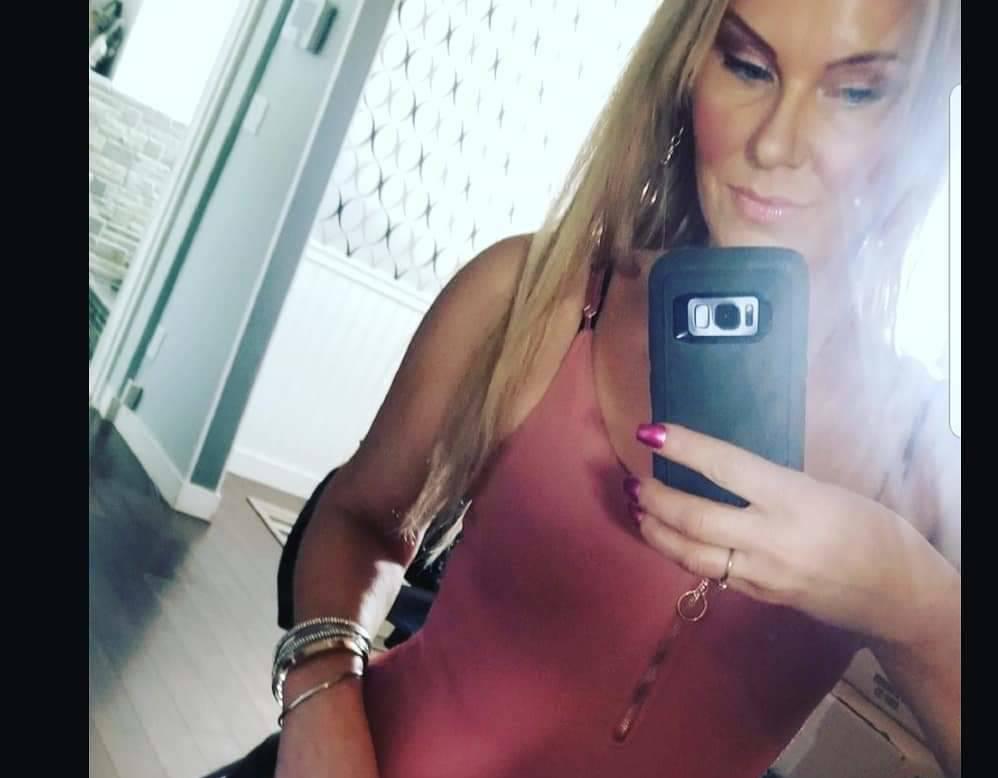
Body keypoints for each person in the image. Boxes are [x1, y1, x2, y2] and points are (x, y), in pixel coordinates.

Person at [273, 2, 961, 777]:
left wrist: (907, 598)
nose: (775, 143)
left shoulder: (928, 464)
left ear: (923, 124)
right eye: (747, 65)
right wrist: (322, 702)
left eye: (857, 91)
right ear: (687, 71)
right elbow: (358, 518)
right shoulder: (535, 297)